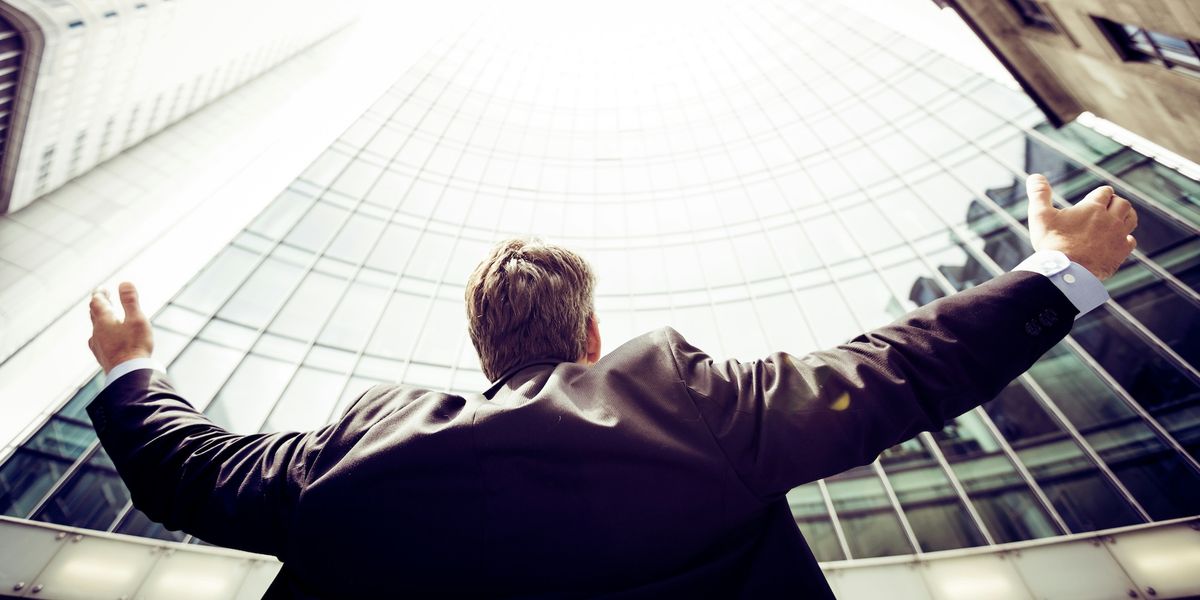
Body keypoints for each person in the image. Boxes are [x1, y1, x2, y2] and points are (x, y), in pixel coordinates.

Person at [86, 174, 1137, 598]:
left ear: (482, 351)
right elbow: (891, 372)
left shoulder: (355, 455)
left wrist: (134, 365)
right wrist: (1058, 273)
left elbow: (188, 473)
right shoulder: (682, 399)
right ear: (592, 335)